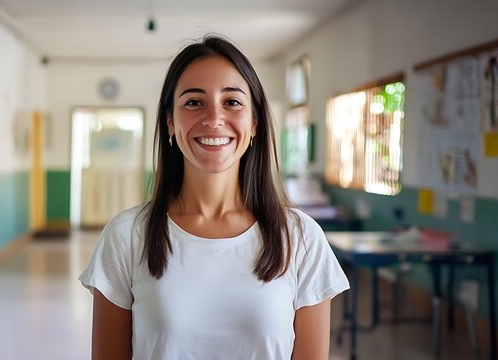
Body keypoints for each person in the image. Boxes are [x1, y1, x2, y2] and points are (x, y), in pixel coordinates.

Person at [79, 35, 349, 360]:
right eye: (194, 102)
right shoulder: (126, 235)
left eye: (232, 102)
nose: (213, 118)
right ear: (169, 121)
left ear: (254, 123)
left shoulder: (300, 237)